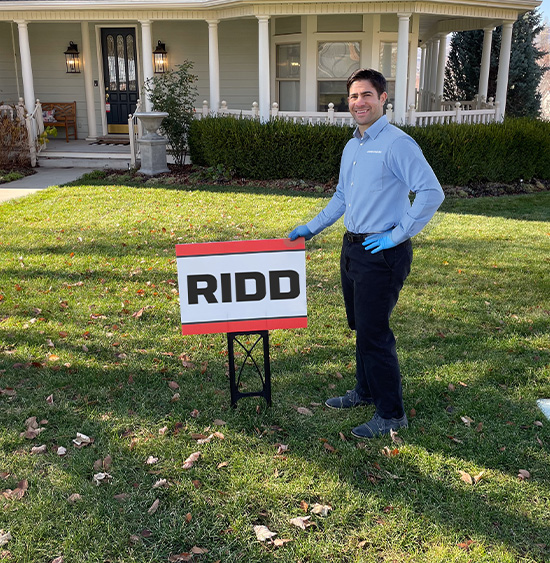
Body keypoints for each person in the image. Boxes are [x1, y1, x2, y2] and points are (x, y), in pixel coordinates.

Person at [289, 68, 444, 439]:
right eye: (354, 96)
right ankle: (365, 391)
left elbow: (431, 192)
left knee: (375, 333)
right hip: (353, 249)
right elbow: (342, 196)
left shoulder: (397, 144)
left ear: (383, 98)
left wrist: (396, 235)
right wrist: (311, 227)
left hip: (382, 253)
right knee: (362, 327)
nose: (359, 102)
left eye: (367, 95)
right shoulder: (352, 146)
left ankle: (391, 415)